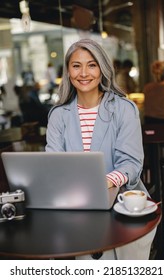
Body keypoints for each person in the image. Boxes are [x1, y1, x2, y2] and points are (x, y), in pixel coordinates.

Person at [45, 38, 156, 260]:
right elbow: (53, 165)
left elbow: (131, 164)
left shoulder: (124, 109)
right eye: (76, 65)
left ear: (103, 69)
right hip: (77, 207)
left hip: (123, 205)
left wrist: (102, 182)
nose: (84, 73)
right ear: (68, 71)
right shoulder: (58, 115)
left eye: (92, 64)